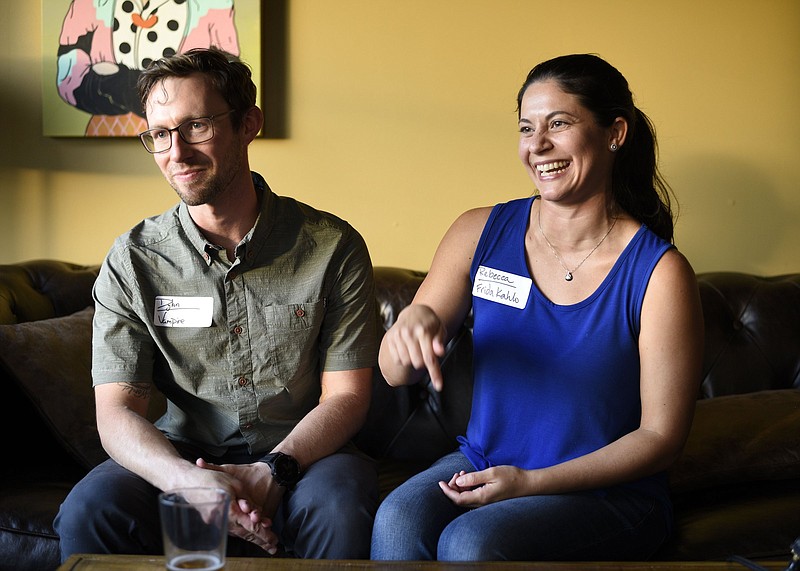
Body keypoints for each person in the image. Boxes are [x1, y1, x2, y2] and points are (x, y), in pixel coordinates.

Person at [370, 53, 704, 561]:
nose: (538, 145)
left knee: (472, 542)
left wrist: (530, 482)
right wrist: (411, 325)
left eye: (560, 123)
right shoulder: (479, 231)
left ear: (616, 132)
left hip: (607, 493)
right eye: (527, 128)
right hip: (487, 461)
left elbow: (660, 437)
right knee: (397, 519)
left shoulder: (660, 273)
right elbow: (395, 374)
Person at [54, 47, 379, 561]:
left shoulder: (331, 246)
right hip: (180, 453)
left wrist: (273, 469)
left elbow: (346, 397)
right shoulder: (135, 259)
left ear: (248, 124)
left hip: (307, 454)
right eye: (159, 134)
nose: (175, 153)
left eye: (196, 127)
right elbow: (116, 411)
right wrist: (190, 483)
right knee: (90, 509)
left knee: (340, 504)